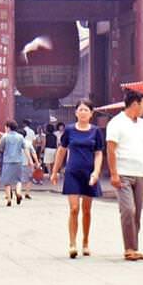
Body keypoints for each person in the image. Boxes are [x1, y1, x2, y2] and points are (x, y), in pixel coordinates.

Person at [106, 90, 143, 261]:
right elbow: (111, 150)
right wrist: (114, 174)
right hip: (123, 173)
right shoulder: (116, 123)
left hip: (140, 173)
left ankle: (134, 248)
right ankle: (128, 248)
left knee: (137, 213)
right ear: (135, 104)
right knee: (128, 210)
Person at [52, 99, 104, 258]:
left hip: (89, 174)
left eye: (86, 110)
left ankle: (86, 242)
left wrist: (96, 172)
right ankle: (72, 243)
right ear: (76, 113)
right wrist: (55, 171)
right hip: (72, 173)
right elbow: (62, 151)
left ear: (91, 113)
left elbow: (98, 153)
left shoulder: (96, 131)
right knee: (74, 209)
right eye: (80, 110)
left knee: (87, 210)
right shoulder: (69, 130)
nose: (83, 113)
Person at [0, 120, 27, 206]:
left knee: (7, 181)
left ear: (8, 127)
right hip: (18, 160)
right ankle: (18, 193)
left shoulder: (5, 137)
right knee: (18, 180)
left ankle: (9, 199)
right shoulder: (20, 137)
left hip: (8, 161)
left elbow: (1, 148)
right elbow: (24, 147)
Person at [20, 124, 39, 198]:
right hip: (28, 163)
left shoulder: (16, 143)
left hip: (17, 163)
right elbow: (33, 153)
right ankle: (27, 193)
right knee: (29, 178)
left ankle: (19, 192)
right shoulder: (28, 143)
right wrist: (37, 162)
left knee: (19, 179)